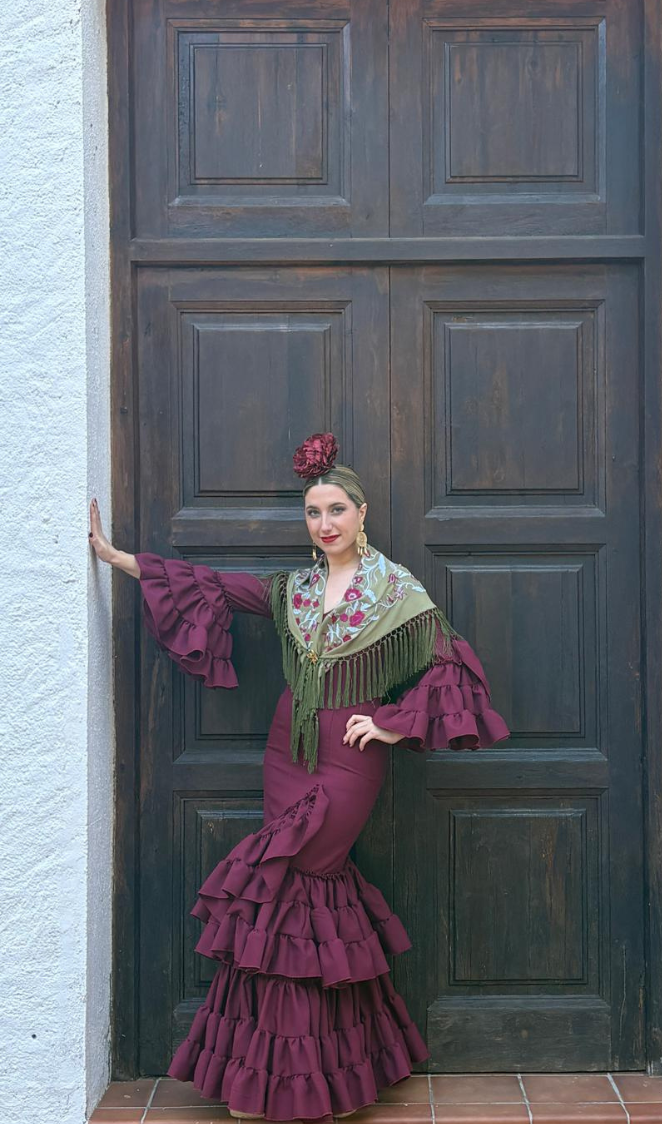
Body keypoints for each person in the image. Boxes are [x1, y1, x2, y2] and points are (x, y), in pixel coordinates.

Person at [89, 431, 510, 1123]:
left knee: (300, 877)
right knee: (285, 900)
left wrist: (393, 723)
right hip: (286, 751)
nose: (326, 524)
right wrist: (115, 559)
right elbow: (212, 586)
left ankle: (301, 1078)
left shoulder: (396, 591)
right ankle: (302, 1078)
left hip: (349, 763)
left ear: (361, 512)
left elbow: (450, 666)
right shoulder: (295, 590)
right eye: (314, 512)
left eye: (337, 509)